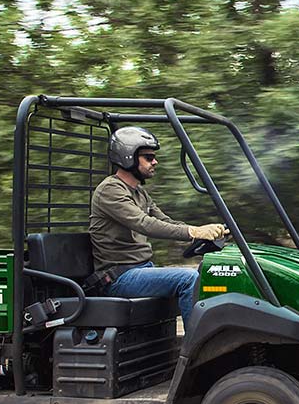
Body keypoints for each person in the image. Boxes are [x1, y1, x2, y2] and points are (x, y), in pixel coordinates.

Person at [87, 126, 226, 321]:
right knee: (187, 279)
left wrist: (208, 231)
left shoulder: (138, 191)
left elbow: (165, 221)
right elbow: (144, 224)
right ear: (129, 157)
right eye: (149, 157)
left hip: (142, 269)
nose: (155, 162)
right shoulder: (111, 190)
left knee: (212, 276)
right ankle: (196, 349)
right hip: (120, 278)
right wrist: (194, 231)